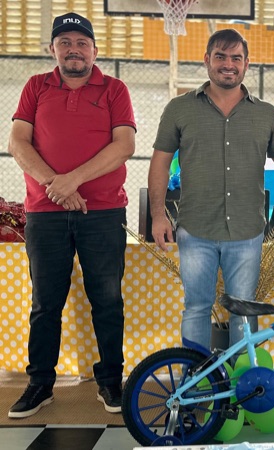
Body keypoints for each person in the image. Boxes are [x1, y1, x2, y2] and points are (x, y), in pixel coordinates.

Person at [7, 12, 136, 419]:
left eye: (82, 43)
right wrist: (54, 186)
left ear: (95, 50)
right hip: (44, 214)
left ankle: (110, 381)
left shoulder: (115, 89)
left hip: (104, 212)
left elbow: (124, 146)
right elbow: (17, 142)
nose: (74, 50)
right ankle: (40, 383)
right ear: (53, 50)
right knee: (46, 302)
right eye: (65, 43)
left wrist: (73, 181)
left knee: (108, 300)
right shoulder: (35, 87)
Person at [148, 29, 274, 351]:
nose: (228, 64)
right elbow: (160, 163)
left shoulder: (266, 114)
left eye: (236, 58)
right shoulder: (179, 109)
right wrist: (157, 215)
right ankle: (196, 384)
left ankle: (240, 385)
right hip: (196, 229)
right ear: (206, 60)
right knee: (196, 308)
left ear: (247, 64)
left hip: (247, 232)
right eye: (220, 56)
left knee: (242, 310)